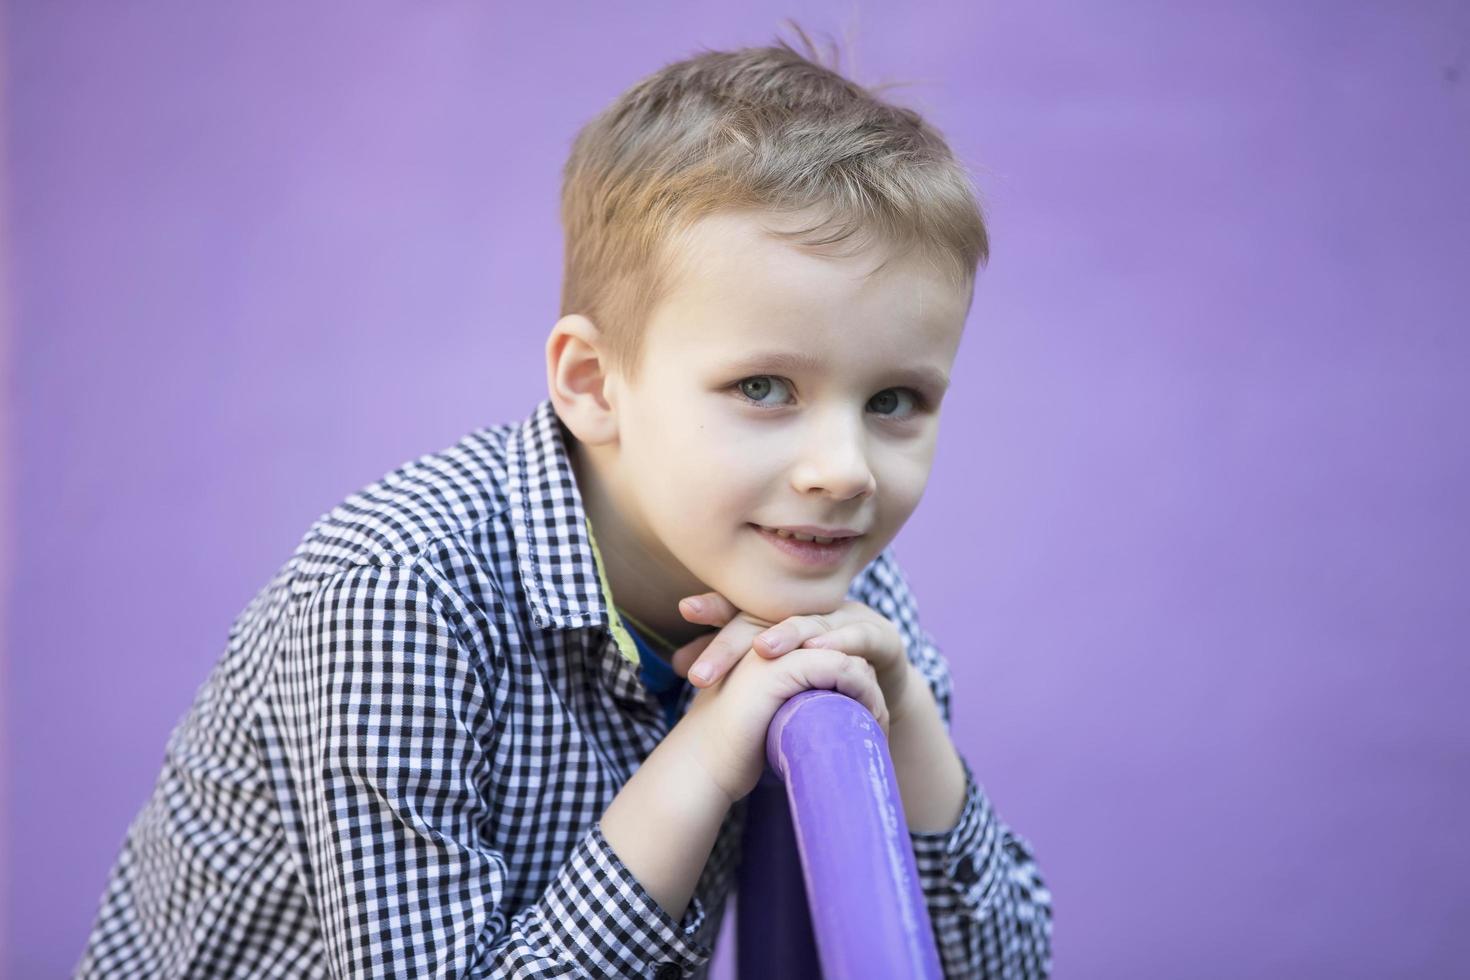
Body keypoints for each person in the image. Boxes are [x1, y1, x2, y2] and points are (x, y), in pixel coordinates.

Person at [75, 25, 1053, 980]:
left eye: (894, 401)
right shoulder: (397, 592)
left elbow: (996, 965)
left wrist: (910, 715)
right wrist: (706, 755)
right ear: (591, 382)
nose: (844, 470)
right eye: (763, 387)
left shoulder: (839, 585)